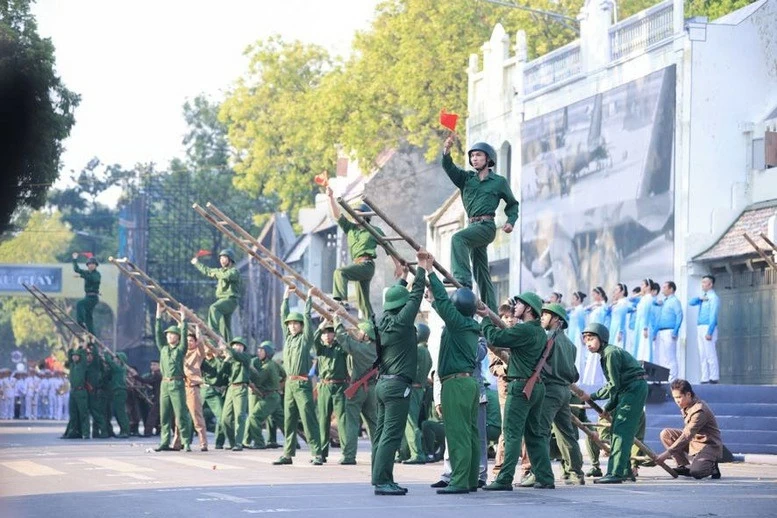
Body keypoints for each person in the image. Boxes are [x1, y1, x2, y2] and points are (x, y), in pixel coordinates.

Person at [478, 291, 554, 491]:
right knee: (534, 434)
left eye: (518, 304)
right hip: (536, 387)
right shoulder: (539, 332)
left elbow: (494, 337)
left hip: (520, 387)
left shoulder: (526, 330)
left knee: (511, 433)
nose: (514, 308)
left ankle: (504, 479)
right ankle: (545, 477)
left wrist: (486, 317)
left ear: (529, 308)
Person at [423, 253, 481, 494]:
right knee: (470, 433)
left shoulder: (457, 324)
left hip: (455, 385)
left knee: (457, 434)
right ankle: (468, 479)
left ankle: (458, 481)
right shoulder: (469, 326)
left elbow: (446, 307)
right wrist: (433, 300)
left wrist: (429, 273)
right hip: (469, 384)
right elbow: (444, 307)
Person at [441, 136, 519, 311]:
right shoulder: (466, 178)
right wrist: (446, 151)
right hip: (472, 226)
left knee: (457, 239)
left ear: (488, 159)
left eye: (478, 155)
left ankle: (462, 279)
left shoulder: (499, 182)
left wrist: (510, 222)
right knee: (481, 272)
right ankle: (491, 312)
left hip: (486, 226)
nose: (474, 158)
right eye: (472, 156)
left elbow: (513, 204)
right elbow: (449, 167)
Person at [371, 253, 426, 496]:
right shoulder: (404, 321)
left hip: (383, 384)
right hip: (397, 387)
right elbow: (415, 297)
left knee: (381, 434)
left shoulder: (383, 321)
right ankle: (383, 481)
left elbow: (401, 297)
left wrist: (403, 277)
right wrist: (422, 268)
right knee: (391, 436)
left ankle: (380, 477)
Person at [523, 303, 585, 486]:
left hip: (549, 390)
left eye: (547, 314)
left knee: (538, 432)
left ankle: (538, 472)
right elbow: (574, 374)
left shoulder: (547, 339)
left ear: (557, 319)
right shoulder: (571, 346)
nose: (542, 317)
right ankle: (576, 472)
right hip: (564, 391)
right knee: (566, 433)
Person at [578, 323, 648, 484]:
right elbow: (617, 387)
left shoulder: (610, 354)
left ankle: (615, 473)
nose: (588, 343)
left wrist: (593, 396)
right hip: (629, 389)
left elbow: (613, 385)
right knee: (620, 429)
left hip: (633, 389)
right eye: (586, 340)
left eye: (591, 338)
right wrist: (608, 408)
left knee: (620, 432)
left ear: (601, 339)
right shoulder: (606, 354)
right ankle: (625, 470)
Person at [325, 187, 401, 318]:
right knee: (363, 303)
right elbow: (337, 215)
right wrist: (330, 197)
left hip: (366, 265)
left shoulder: (373, 230)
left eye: (357, 213)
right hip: (357, 265)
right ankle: (371, 326)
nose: (354, 216)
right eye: (353, 214)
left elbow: (389, 247)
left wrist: (398, 265)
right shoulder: (350, 228)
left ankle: (341, 301)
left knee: (340, 272)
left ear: (365, 216)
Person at [273, 286, 323, 466]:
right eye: (290, 323)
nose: (292, 326)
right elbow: (282, 316)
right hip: (289, 385)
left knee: (308, 419)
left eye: (295, 323)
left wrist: (308, 300)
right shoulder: (288, 338)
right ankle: (287, 454)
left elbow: (308, 320)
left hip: (302, 384)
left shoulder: (305, 339)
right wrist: (286, 297)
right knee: (289, 419)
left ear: (301, 326)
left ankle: (317, 453)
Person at [333, 315, 378, 465]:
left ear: (366, 335)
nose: (358, 333)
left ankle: (349, 456)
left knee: (351, 423)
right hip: (372, 389)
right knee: (374, 423)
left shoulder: (360, 348)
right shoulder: (376, 348)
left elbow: (342, 338)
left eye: (360, 331)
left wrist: (337, 321)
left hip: (358, 389)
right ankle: (378, 454)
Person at [656, 379, 722, 479]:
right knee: (666, 434)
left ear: (688, 394)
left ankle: (712, 467)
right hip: (694, 442)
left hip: (708, 445)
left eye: (679, 397)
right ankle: (683, 466)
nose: (677, 401)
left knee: (696, 472)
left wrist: (666, 454)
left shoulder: (699, 410)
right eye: (674, 398)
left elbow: (687, 435)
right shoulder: (687, 405)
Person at [154, 304, 193, 452]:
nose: (169, 336)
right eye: (168, 334)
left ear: (178, 337)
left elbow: (184, 333)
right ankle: (164, 442)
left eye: (172, 334)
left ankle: (186, 442)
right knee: (164, 415)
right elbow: (157, 333)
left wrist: (183, 318)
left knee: (181, 414)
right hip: (164, 384)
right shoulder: (163, 348)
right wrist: (158, 315)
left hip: (177, 383)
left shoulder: (181, 349)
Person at [312, 318, 348, 463]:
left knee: (342, 419)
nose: (327, 335)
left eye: (330, 333)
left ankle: (347, 453)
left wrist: (338, 322)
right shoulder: (321, 349)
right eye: (325, 333)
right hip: (325, 386)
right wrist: (320, 326)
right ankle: (321, 453)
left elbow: (346, 340)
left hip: (340, 386)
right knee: (323, 419)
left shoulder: (340, 348)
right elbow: (313, 340)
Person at [191, 249, 241, 341]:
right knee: (225, 327)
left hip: (230, 300)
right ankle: (229, 345)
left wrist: (214, 273)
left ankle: (212, 331)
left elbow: (225, 276)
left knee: (214, 308)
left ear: (230, 259)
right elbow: (207, 271)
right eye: (221, 258)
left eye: (224, 258)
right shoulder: (220, 271)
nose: (222, 260)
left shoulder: (234, 271)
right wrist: (197, 263)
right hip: (223, 300)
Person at [400, 322, 433, 465]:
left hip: (412, 389)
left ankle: (417, 453)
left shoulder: (417, 350)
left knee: (410, 422)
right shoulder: (426, 351)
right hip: (419, 389)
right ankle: (406, 452)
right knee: (409, 421)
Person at [173, 327, 208, 451]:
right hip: (180, 387)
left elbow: (202, 346)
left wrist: (198, 331)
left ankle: (203, 443)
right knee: (178, 417)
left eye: (191, 340)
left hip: (192, 388)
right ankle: (176, 443)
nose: (189, 342)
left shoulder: (198, 353)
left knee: (196, 417)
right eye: (187, 340)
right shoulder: (180, 352)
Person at [244, 341, 282, 449]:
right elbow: (283, 376)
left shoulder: (269, 365)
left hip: (267, 395)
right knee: (281, 420)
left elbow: (259, 379)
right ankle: (247, 440)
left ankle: (258, 442)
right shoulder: (257, 362)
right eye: (259, 350)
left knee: (255, 417)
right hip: (262, 394)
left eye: (262, 350)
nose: (259, 352)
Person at [220, 336, 252, 451]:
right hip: (230, 388)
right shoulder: (232, 359)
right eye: (235, 345)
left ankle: (239, 442)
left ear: (244, 348)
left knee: (240, 416)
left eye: (240, 345)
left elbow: (237, 355)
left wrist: (227, 349)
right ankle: (232, 442)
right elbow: (222, 372)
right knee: (225, 418)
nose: (237, 347)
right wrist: (226, 359)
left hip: (240, 388)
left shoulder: (245, 357)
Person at [689, 275, 720, 384]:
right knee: (702, 353)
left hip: (708, 327)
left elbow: (713, 315)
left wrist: (710, 331)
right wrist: (699, 298)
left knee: (710, 353)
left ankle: (714, 376)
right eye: (702, 282)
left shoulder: (713, 298)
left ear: (710, 284)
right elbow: (691, 302)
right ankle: (705, 377)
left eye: (704, 282)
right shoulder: (703, 297)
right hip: (700, 326)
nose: (702, 284)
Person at [655, 281, 683, 381]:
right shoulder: (664, 302)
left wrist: (675, 331)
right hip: (661, 331)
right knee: (662, 356)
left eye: (665, 287)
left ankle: (672, 378)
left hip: (669, 331)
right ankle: (663, 378)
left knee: (670, 356)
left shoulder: (675, 301)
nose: (663, 289)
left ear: (671, 289)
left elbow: (679, 315)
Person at [62, 344, 90, 439]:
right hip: (73, 392)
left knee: (83, 413)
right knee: (73, 413)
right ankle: (73, 432)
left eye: (76, 355)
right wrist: (71, 347)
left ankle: (86, 433)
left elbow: (83, 354)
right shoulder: (72, 365)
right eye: (73, 355)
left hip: (81, 391)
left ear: (80, 357)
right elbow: (69, 353)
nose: (74, 357)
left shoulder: (82, 365)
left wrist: (82, 345)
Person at [72, 252, 101, 334]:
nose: (91, 265)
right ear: (87, 265)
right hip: (87, 296)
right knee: (88, 317)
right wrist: (74, 259)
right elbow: (76, 269)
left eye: (93, 264)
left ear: (95, 266)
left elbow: (93, 279)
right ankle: (92, 334)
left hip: (93, 298)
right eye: (89, 264)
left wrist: (81, 276)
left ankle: (80, 322)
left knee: (80, 304)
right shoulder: (86, 272)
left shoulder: (97, 274)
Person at [105, 352, 130, 438]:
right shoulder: (118, 369)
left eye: (117, 358)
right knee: (117, 412)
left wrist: (105, 353)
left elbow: (110, 362)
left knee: (120, 412)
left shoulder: (119, 368)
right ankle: (123, 430)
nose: (115, 360)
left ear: (120, 360)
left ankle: (125, 431)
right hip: (117, 392)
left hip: (120, 392)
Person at [567, 291, 588, 374]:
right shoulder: (575, 310)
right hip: (572, 334)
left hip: (577, 335)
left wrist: (583, 336)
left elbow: (582, 324)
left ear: (578, 299)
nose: (572, 300)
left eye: (573, 298)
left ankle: (579, 374)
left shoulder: (580, 309)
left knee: (578, 354)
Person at [608, 283, 632, 349]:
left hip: (618, 329)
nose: (614, 292)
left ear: (622, 292)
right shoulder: (617, 303)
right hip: (613, 328)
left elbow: (623, 317)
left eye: (616, 290)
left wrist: (620, 332)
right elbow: (607, 312)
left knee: (617, 348)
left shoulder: (623, 302)